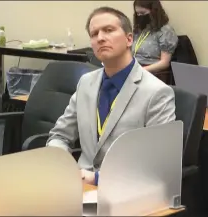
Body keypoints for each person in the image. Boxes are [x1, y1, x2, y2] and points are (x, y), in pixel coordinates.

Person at [46, 6, 176, 185]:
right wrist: (62, 164)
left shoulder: (157, 93)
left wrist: (97, 179)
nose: (100, 38)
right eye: (94, 34)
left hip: (127, 191)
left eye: (108, 30)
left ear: (129, 39)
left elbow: (158, 162)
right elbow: (60, 136)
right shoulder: (86, 83)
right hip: (78, 187)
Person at [132, 0, 178, 74]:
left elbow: (164, 63)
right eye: (138, 13)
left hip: (150, 72)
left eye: (143, 13)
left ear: (154, 12)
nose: (140, 16)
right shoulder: (140, 30)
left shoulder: (165, 31)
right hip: (134, 68)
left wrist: (140, 71)